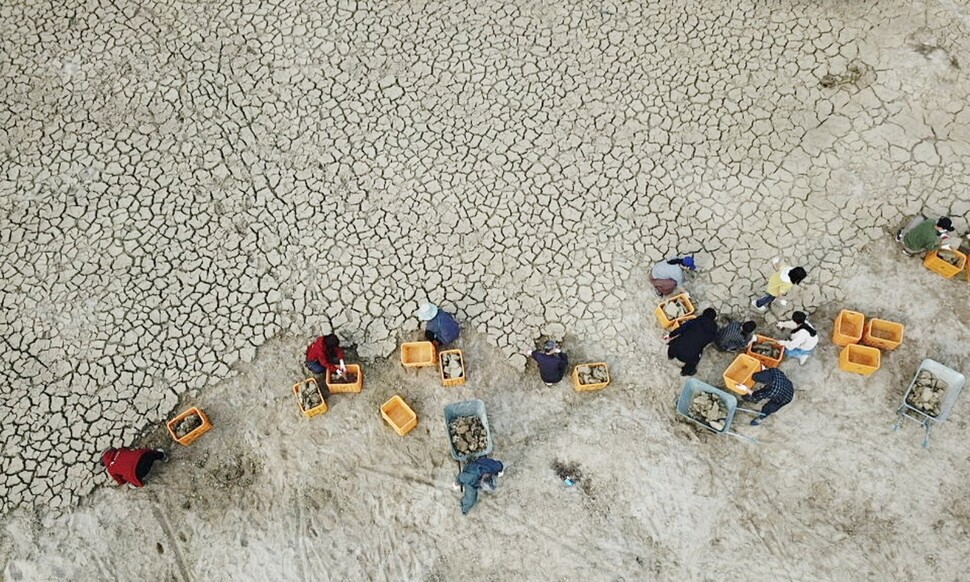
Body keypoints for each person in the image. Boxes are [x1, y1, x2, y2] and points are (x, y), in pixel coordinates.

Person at [664, 307, 717, 376]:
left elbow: (681, 329)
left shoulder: (695, 322)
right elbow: (709, 341)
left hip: (676, 349)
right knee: (696, 358)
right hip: (689, 357)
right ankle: (685, 371)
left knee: (676, 341)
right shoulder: (713, 331)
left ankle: (670, 355)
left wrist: (670, 335)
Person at [101, 448, 167, 488]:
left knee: (129, 477)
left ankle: (136, 485)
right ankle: (163, 456)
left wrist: (124, 481)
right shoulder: (120, 451)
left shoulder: (110, 469)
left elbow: (121, 481)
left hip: (139, 473)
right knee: (151, 455)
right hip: (145, 457)